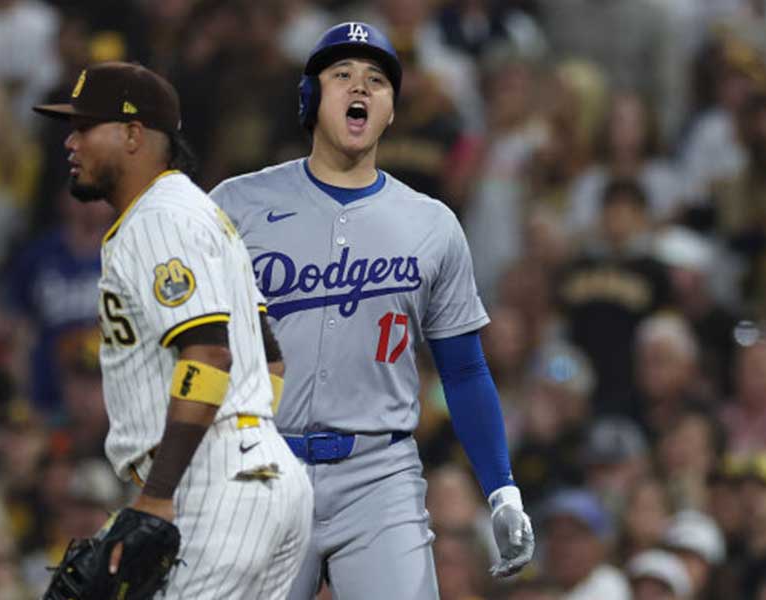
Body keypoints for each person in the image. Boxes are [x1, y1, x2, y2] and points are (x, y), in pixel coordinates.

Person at [210, 22, 535, 599]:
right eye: (342, 76)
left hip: (378, 473)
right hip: (261, 466)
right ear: (310, 99)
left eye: (376, 80)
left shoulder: (431, 223)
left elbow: (463, 370)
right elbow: (191, 343)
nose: (360, 86)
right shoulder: (236, 204)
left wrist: (502, 488)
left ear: (389, 110)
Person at [32, 61, 312, 598]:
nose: (70, 142)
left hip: (210, 479)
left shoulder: (159, 218)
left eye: (85, 127)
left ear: (134, 135)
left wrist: (161, 492)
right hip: (258, 475)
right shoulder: (196, 213)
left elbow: (208, 354)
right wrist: (255, 440)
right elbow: (269, 357)